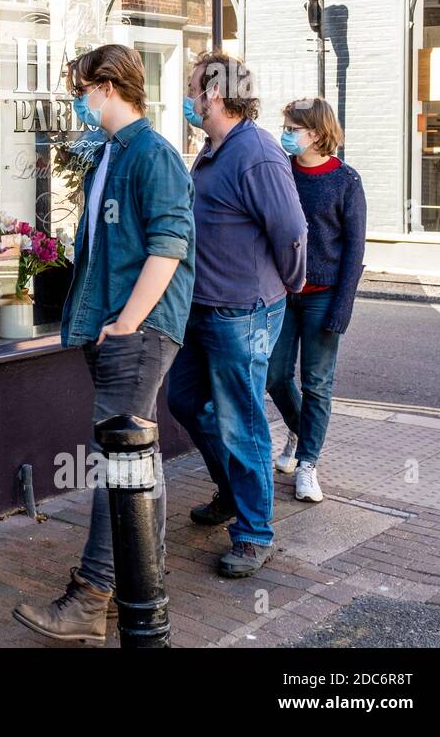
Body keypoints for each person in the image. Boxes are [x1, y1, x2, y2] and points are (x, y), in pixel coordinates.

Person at [12, 44, 195, 645]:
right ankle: (136, 589)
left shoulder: (152, 155)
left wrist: (127, 323)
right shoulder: (112, 155)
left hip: (135, 330)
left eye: (81, 89)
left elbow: (170, 246)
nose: (77, 100)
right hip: (115, 327)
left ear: (109, 87)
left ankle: (90, 598)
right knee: (136, 465)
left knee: (120, 465)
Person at [169, 51, 308, 578]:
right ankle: (231, 491)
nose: (188, 96)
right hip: (201, 308)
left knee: (241, 419)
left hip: (241, 313)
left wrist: (288, 284)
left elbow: (292, 232)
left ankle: (254, 533)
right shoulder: (212, 149)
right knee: (187, 401)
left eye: (193, 88)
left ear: (216, 95)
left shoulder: (257, 153)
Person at [267, 97, 366, 503]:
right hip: (282, 294)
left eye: (292, 128)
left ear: (317, 133)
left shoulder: (346, 180)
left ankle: (308, 463)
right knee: (273, 375)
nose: (286, 134)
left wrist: (343, 307)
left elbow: (355, 250)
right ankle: (299, 429)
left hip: (324, 297)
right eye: (286, 127)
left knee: (317, 384)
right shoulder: (281, 173)